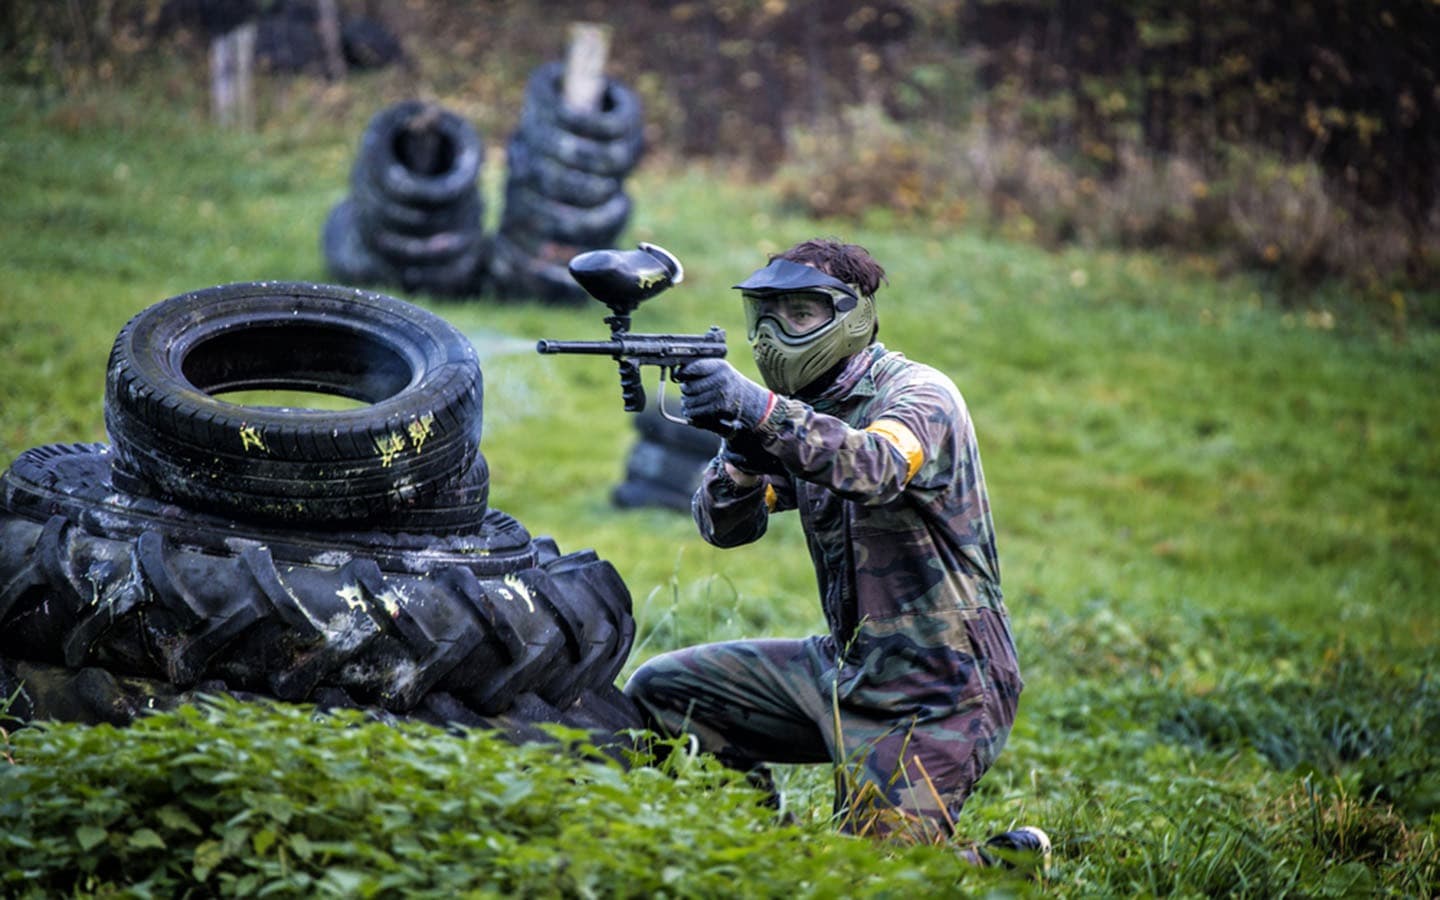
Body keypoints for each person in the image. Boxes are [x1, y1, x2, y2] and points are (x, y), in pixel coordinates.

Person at [624, 238, 1048, 867]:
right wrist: (741, 452)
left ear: (853, 317)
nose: (773, 334)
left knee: (864, 879)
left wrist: (760, 411)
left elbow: (874, 466)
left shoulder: (920, 396)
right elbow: (726, 528)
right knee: (664, 691)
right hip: (848, 668)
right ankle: (762, 846)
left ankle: (1002, 868)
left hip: (939, 689)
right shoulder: (799, 414)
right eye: (763, 315)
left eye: (799, 314)